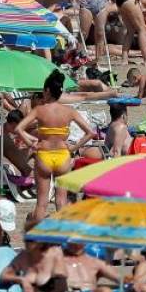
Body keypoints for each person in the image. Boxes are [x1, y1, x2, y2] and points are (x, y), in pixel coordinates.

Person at [16, 70, 96, 222]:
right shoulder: (69, 111)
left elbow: (18, 128)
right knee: (61, 201)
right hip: (63, 156)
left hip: (44, 155)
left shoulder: (39, 110)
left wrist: (31, 144)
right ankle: (62, 233)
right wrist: (73, 148)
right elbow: (91, 132)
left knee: (42, 203)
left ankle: (37, 235)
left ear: (47, 91)